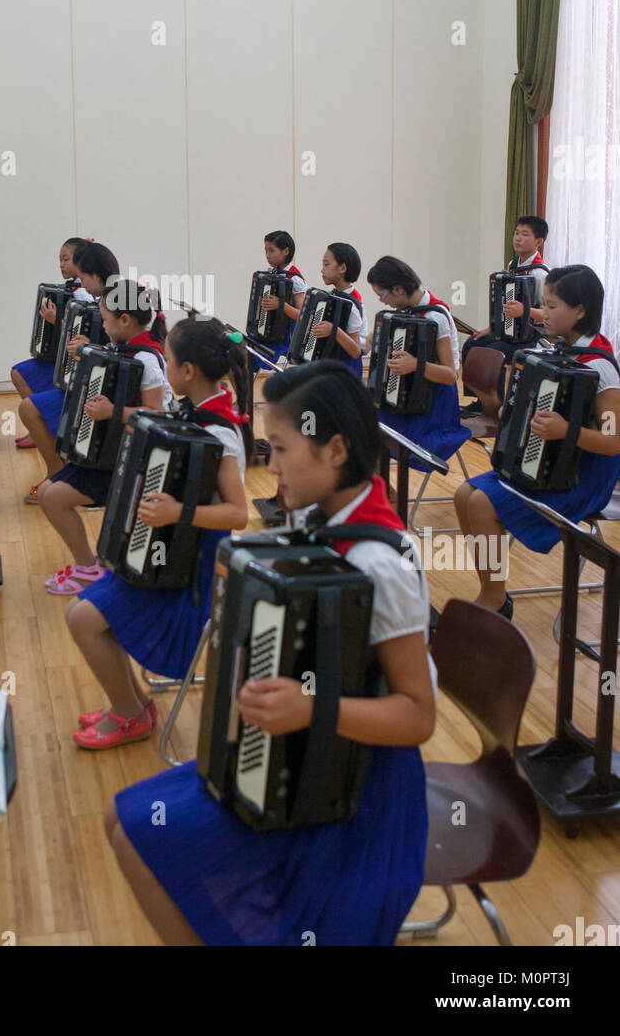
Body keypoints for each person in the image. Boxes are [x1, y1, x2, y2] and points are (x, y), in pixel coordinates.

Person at [104, 361, 434, 946]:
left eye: (280, 450)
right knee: (124, 821)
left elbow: (417, 715)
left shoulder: (383, 562)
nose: (272, 468)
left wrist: (311, 708)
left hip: (361, 792)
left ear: (336, 450)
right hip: (303, 755)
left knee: (136, 831)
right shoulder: (320, 519)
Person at [65, 319, 251, 749]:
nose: (164, 369)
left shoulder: (220, 430)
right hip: (163, 551)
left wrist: (176, 512)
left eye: (167, 362)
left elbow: (238, 515)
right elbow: (160, 427)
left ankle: (130, 715)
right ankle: (131, 705)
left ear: (187, 371)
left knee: (83, 620)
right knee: (83, 613)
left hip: (193, 571)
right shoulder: (196, 410)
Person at [455, 265, 620, 618]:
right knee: (463, 494)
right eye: (543, 304)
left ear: (580, 311)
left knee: (483, 504)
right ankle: (493, 589)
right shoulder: (556, 350)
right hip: (548, 464)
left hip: (583, 479)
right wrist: (512, 414)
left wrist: (565, 432)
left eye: (552, 306)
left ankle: (495, 599)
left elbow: (612, 442)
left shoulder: (601, 368)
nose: (543, 314)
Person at [39, 278, 171, 591]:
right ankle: (90, 564)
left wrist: (114, 412)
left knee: (53, 499)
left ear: (125, 319)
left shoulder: (147, 359)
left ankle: (88, 569)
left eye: (108, 321)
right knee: (47, 492)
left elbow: (159, 415)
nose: (106, 328)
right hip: (105, 450)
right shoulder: (124, 349)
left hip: (128, 459)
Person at [19, 241, 120, 504]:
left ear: (96, 276)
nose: (81, 283)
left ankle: (59, 468)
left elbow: (122, 354)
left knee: (29, 408)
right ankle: (59, 455)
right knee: (27, 397)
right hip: (88, 383)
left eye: (84, 276)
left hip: (102, 393)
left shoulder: (117, 303)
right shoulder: (102, 300)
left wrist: (86, 345)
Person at [366, 255, 469, 473]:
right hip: (407, 394)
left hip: (435, 402)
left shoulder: (437, 317)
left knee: (370, 427)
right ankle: (384, 492)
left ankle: (386, 493)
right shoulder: (405, 312)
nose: (383, 302)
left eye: (382, 295)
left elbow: (450, 375)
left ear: (398, 289)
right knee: (361, 418)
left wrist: (415, 365)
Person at [460, 215, 550, 416]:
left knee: (494, 351)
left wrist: (524, 312)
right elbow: (506, 307)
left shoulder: (541, 275)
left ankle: (497, 404)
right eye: (516, 233)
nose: (517, 238)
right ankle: (480, 400)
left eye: (525, 234)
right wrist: (492, 328)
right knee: (472, 344)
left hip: (533, 336)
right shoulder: (512, 265)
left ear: (539, 241)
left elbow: (549, 314)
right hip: (510, 332)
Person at [10, 237, 90, 448]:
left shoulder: (85, 294)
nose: (61, 264)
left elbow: (81, 333)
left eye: (66, 259)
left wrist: (56, 321)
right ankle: (39, 428)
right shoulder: (72, 289)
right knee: (18, 372)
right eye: (59, 260)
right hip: (64, 357)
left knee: (21, 375)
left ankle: (43, 429)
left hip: (75, 363)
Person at [249, 230, 307, 372]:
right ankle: (246, 394)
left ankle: (246, 394)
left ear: (286, 251)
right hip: (270, 333)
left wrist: (280, 305)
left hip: (286, 338)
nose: (268, 255)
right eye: (266, 250)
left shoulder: (295, 279)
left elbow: (303, 316)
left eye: (272, 251)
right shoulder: (273, 274)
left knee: (246, 355)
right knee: (240, 350)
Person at [314, 242, 369, 376]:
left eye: (326, 264)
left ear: (342, 268)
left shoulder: (351, 304)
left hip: (348, 371)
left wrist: (333, 331)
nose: (322, 270)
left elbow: (356, 351)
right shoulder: (334, 296)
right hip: (333, 366)